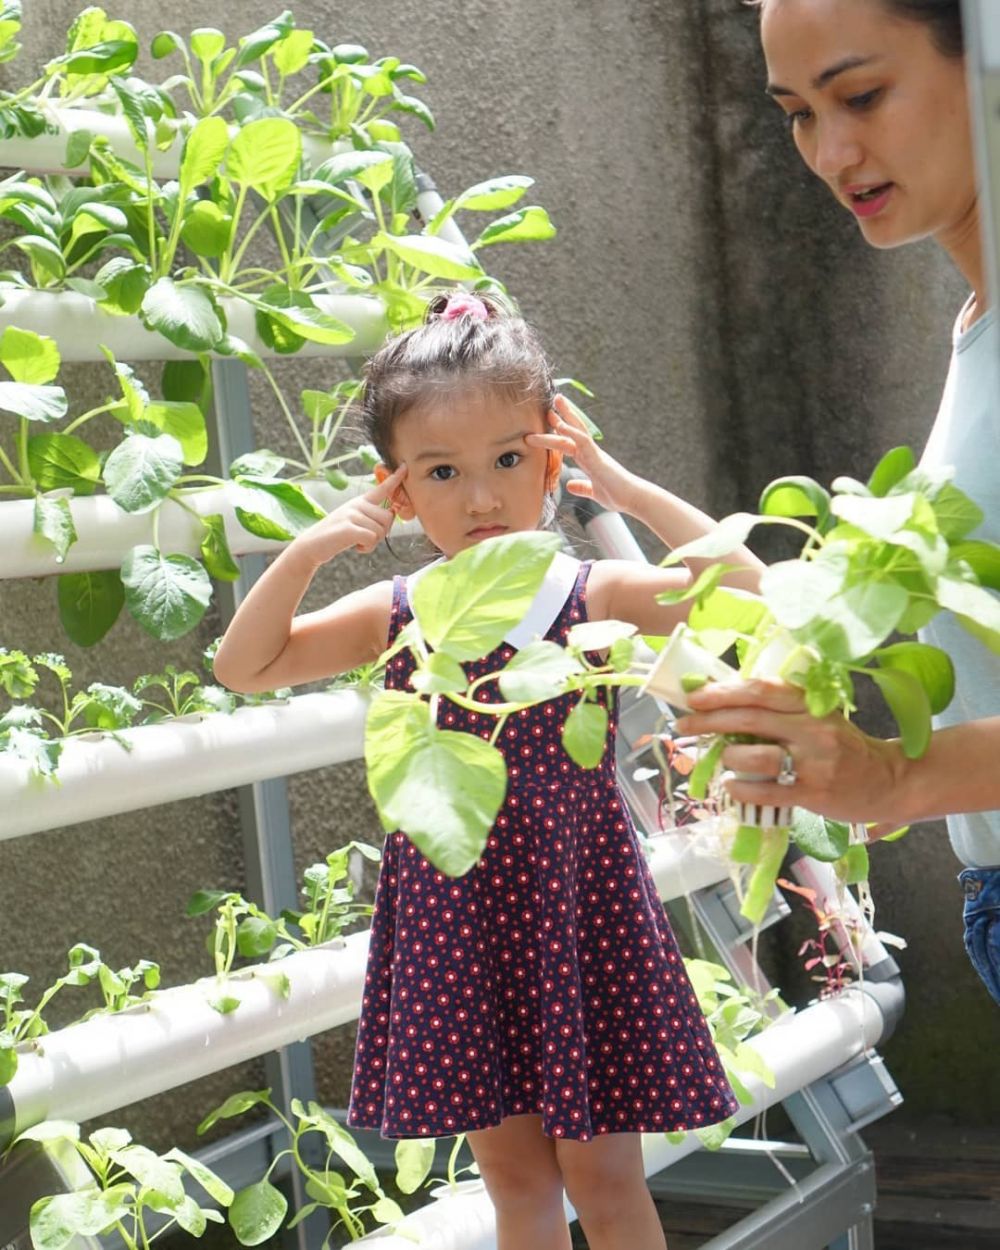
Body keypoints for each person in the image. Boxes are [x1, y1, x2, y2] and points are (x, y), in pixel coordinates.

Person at [213, 291, 763, 1250]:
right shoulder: (398, 611)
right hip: (458, 922)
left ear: (552, 456)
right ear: (397, 490)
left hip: (577, 908)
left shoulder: (591, 593)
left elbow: (747, 588)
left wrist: (624, 491)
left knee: (606, 1176)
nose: (480, 498)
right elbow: (243, 665)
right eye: (442, 471)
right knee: (515, 1181)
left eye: (509, 460)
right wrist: (314, 544)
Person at [676, 0, 1000, 1004]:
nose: (831, 153)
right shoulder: (976, 323)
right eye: (799, 114)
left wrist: (895, 776)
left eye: (860, 95)